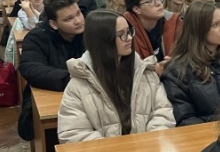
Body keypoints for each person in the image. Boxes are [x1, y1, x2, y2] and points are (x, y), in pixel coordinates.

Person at [57, 10, 174, 143]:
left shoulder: (145, 72)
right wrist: (115, 150)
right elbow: (74, 134)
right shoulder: (79, 84)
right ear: (103, 40)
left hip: (146, 151)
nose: (129, 38)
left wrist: (149, 142)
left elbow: (163, 113)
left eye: (129, 31)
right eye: (121, 34)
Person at [161, 1, 220, 125]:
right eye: (215, 24)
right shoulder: (177, 72)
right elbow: (185, 120)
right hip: (208, 134)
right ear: (198, 30)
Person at [17, 0, 86, 140]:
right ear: (53, 24)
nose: (78, 21)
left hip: (86, 98)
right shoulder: (37, 37)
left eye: (78, 13)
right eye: (69, 19)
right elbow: (30, 67)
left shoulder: (88, 32)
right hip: (55, 98)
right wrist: (69, 78)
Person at [123, 0, 182, 75]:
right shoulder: (125, 31)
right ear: (136, 9)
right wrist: (154, 68)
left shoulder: (175, 22)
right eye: (150, 1)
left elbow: (186, 54)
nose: (158, 3)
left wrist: (175, 62)